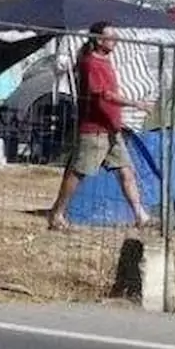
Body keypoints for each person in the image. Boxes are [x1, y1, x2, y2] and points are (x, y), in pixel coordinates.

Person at [46, 21, 154, 231]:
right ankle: (57, 213)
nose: (115, 41)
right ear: (98, 40)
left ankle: (141, 215)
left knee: (126, 171)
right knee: (78, 172)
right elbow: (104, 95)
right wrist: (135, 103)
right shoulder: (90, 63)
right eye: (111, 37)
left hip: (112, 129)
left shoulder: (106, 61)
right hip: (94, 130)